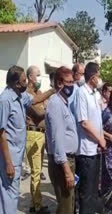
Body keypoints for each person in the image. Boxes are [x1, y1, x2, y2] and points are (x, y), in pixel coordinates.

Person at [0, 65, 55, 214]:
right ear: (16, 83)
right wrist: (8, 163)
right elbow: (1, 132)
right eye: (24, 80)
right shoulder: (5, 100)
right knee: (9, 195)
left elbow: (36, 99)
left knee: (11, 194)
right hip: (9, 158)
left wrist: (53, 90)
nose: (27, 83)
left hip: (17, 156)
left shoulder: (19, 96)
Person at [45, 66, 78, 214]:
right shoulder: (55, 104)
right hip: (61, 163)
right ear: (59, 83)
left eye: (73, 82)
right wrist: (66, 171)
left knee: (69, 205)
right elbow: (57, 140)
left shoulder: (64, 103)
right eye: (68, 82)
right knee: (65, 208)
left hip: (68, 160)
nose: (71, 86)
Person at [75, 62, 106, 214]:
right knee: (86, 193)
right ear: (92, 77)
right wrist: (99, 139)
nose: (100, 78)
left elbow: (98, 120)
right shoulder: (81, 93)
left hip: (96, 150)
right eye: (98, 75)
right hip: (86, 151)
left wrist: (102, 138)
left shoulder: (96, 94)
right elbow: (84, 123)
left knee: (94, 191)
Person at [25, 66, 49, 214]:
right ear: (30, 77)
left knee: (37, 171)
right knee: (36, 172)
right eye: (38, 75)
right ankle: (37, 206)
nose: (40, 78)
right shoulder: (27, 95)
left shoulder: (39, 93)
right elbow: (39, 114)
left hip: (41, 134)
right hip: (33, 134)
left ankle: (34, 204)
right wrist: (47, 108)